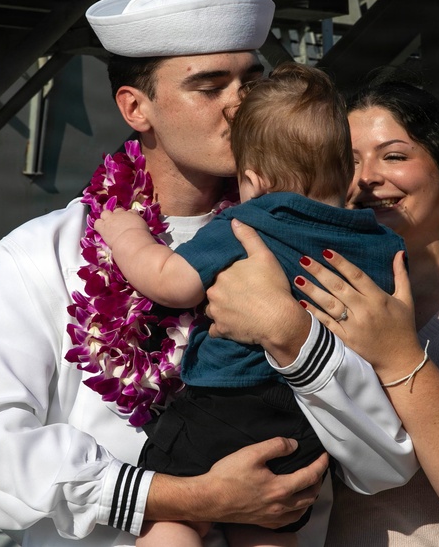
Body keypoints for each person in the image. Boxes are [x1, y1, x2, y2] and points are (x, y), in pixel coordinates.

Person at [0, 0, 421, 547]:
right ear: (135, 107)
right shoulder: (43, 254)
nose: (240, 104)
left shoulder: (318, 243)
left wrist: (294, 340)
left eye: (250, 81)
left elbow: (385, 464)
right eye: (209, 85)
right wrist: (184, 497)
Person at [204, 77, 439, 546]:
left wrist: (399, 356)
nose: (364, 178)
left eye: (394, 156)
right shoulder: (311, 304)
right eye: (346, 161)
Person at [93, 62, 414, 547]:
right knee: (269, 525)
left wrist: (126, 234)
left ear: (253, 180)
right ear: (347, 171)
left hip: (224, 402)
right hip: (305, 419)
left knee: (174, 522)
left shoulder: (250, 221)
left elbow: (173, 282)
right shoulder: (382, 242)